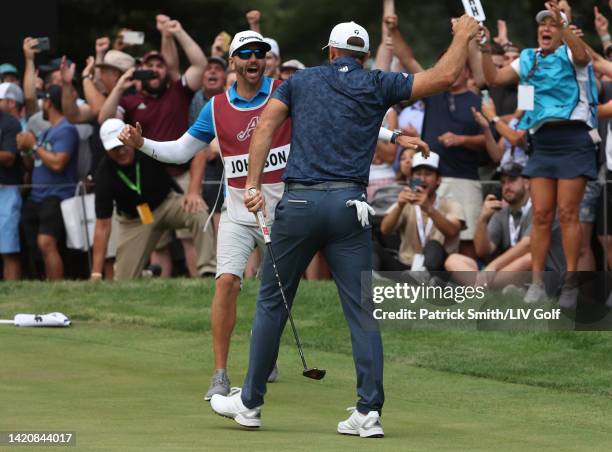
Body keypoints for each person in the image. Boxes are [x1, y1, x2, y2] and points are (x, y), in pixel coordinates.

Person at [208, 16, 480, 435]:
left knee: (271, 304)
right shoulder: (375, 83)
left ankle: (250, 403)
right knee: (362, 311)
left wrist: (254, 183)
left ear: (331, 52)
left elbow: (265, 127)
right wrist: (463, 35)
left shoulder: (300, 82)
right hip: (350, 205)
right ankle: (368, 412)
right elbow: (444, 77)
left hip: (298, 204)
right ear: (365, 55)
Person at [117, 30, 289, 401]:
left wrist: (388, 135)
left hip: (284, 213)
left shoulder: (285, 91)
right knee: (226, 282)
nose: (253, 59)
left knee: (274, 293)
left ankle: (265, 357)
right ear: (233, 62)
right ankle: (220, 373)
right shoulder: (216, 107)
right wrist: (141, 144)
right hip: (238, 213)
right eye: (245, 54)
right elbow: (180, 151)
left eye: (259, 52)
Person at [481, 1, 598, 306]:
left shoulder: (573, 53)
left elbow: (584, 55)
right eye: (542, 24)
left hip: (573, 139)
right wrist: (482, 46)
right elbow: (493, 79)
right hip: (542, 143)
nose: (546, 27)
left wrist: (563, 21)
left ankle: (571, 284)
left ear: (562, 29)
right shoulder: (530, 60)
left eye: (552, 23)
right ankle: (536, 285)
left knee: (568, 213)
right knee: (542, 216)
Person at [99, 18, 210, 278]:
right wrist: (121, 83)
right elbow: (105, 120)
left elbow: (201, 66)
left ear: (167, 71)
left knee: (190, 231)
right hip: (149, 177)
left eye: (160, 66)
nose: (155, 71)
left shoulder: (177, 90)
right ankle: (162, 283)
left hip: (180, 173)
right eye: (149, 67)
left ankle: (204, 277)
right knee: (158, 246)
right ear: (139, 71)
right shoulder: (130, 99)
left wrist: (177, 31)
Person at [91, 119, 214, 280]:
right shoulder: (103, 174)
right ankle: (147, 274)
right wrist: (96, 272)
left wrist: (192, 191)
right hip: (134, 220)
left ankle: (209, 271)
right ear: (106, 150)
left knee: (197, 210)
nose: (121, 152)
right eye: (114, 149)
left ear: (129, 139)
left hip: (167, 203)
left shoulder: (147, 147)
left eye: (123, 145)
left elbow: (198, 153)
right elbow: (102, 226)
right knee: (123, 280)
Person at [17, 85, 79, 280]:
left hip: (55, 196)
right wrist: (25, 149)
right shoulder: (45, 133)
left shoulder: (67, 129)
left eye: (44, 101)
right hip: (35, 197)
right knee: (34, 248)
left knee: (46, 242)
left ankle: (56, 288)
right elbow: (32, 165)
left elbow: (58, 163)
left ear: (49, 102)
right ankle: (42, 285)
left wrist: (33, 145)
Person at [378, 152, 465, 272]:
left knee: (433, 245)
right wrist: (399, 206)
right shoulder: (406, 202)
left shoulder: (451, 204)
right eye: (418, 174)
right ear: (411, 179)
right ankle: (370, 280)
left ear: (438, 180)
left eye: (428, 174)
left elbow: (452, 231)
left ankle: (422, 277)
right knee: (372, 247)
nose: (422, 179)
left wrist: (429, 209)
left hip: (439, 268)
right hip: (407, 266)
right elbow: (385, 230)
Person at [0, 107, 23, 280]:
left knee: (8, 249)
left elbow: (9, 157)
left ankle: (13, 289)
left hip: (5, 191)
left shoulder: (9, 122)